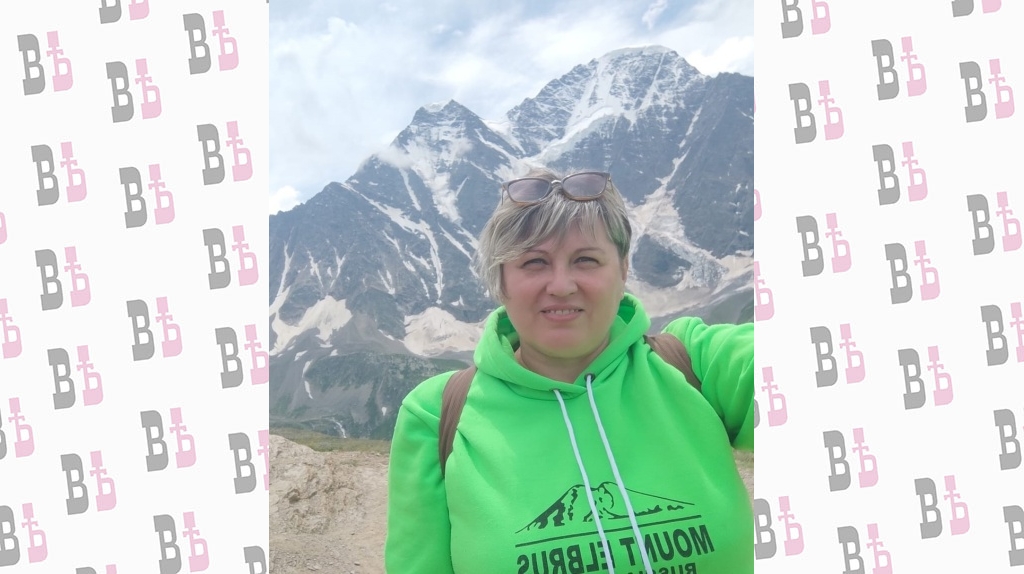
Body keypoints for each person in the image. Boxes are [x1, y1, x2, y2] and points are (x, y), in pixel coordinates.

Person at [385, 167, 754, 573]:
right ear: (501, 280)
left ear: (623, 270)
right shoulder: (437, 414)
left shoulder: (696, 362)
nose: (561, 286)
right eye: (534, 262)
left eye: (585, 260)